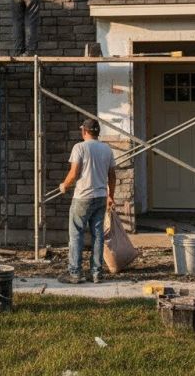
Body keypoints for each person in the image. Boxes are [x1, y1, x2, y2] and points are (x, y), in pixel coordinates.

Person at [57, 117, 116, 284]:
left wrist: (64, 185)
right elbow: (112, 175)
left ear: (84, 131)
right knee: (98, 235)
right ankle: (96, 273)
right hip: (100, 197)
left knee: (76, 234)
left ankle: (75, 273)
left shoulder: (80, 147)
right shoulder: (107, 149)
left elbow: (74, 173)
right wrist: (111, 196)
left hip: (82, 197)